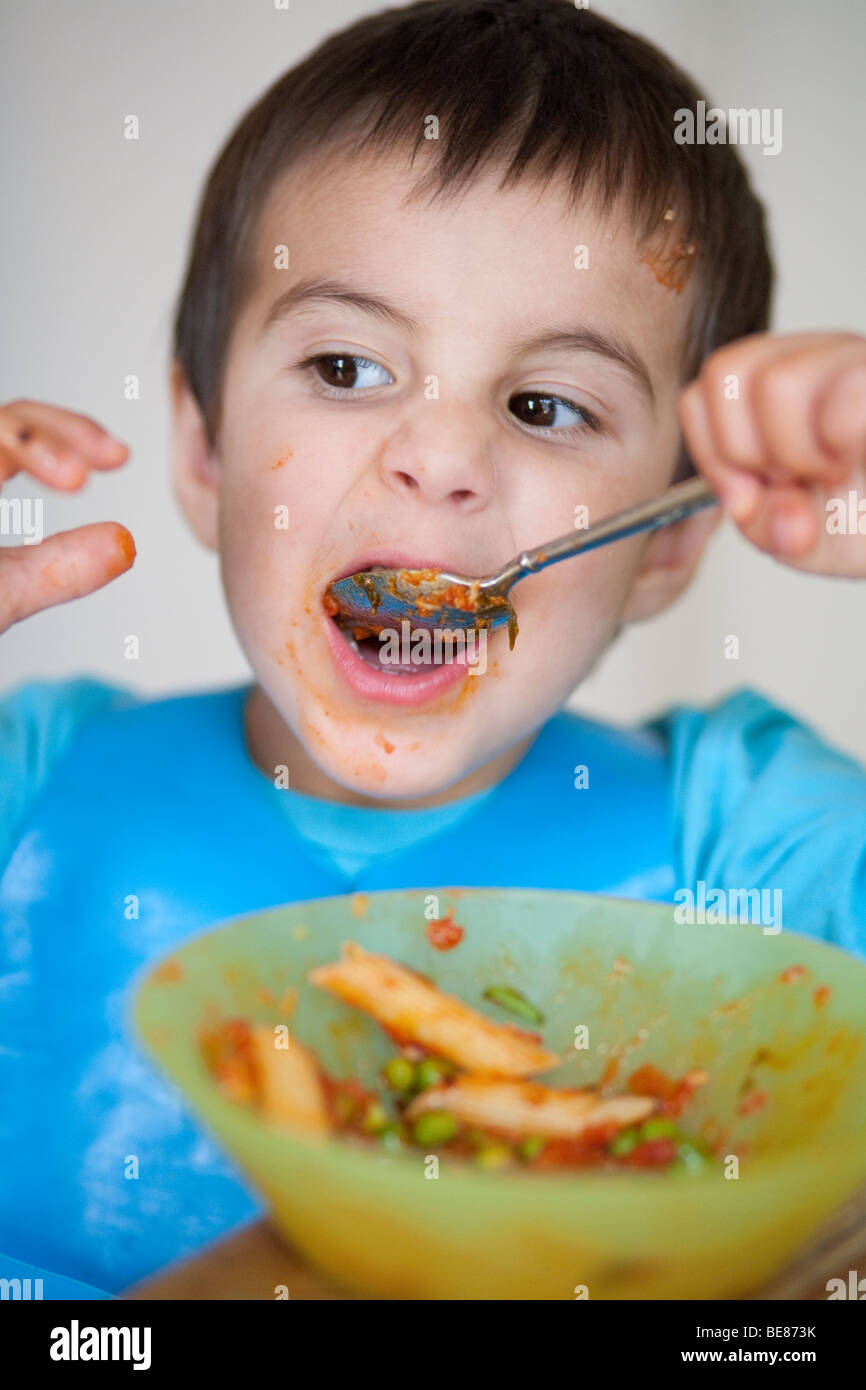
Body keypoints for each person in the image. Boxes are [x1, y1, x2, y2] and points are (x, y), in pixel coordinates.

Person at [2, 0, 865, 1296]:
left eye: (545, 404)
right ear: (204, 453)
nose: (445, 456)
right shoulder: (32, 784)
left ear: (672, 539)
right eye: (347, 366)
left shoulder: (753, 839)